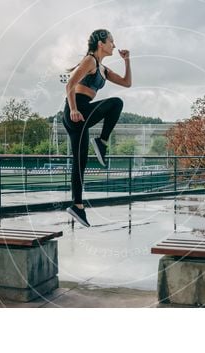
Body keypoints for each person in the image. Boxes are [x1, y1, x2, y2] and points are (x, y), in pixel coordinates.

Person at [63, 29, 132, 227]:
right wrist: (74, 109)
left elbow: (127, 83)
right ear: (101, 43)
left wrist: (127, 60)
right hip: (76, 110)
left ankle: (77, 206)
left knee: (80, 162)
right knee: (116, 103)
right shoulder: (90, 61)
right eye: (111, 41)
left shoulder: (102, 69)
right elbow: (69, 85)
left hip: (82, 113)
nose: (114, 45)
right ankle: (101, 142)